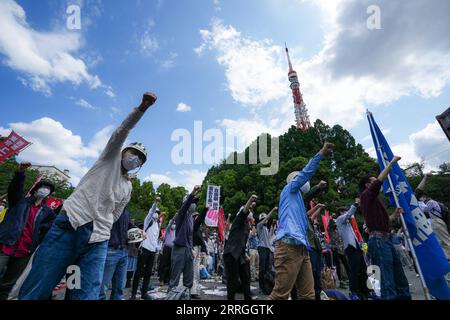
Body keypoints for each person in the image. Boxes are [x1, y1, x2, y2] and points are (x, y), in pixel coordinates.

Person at [20, 92, 157, 300]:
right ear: (123, 151)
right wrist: (142, 108)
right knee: (40, 285)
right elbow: (122, 131)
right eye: (133, 153)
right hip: (70, 226)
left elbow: (116, 213)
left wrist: (104, 226)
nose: (135, 158)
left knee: (84, 293)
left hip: (97, 241)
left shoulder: (127, 187)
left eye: (140, 159)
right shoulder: (109, 158)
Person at [269, 142, 334, 300]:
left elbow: (305, 215)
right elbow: (306, 173)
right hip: (288, 245)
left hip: (302, 248)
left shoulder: (296, 200)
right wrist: (321, 154)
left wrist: (317, 195)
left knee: (308, 294)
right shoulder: (290, 189)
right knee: (280, 295)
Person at [0, 162, 56, 300]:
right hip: (6, 245)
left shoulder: (47, 212)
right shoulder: (19, 201)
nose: (44, 190)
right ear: (35, 189)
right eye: (42, 187)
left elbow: (49, 229)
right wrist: (21, 173)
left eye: (48, 188)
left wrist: (36, 241)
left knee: (8, 283)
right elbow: (15, 188)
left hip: (24, 251)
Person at [359, 155, 411, 300]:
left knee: (398, 274)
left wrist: (395, 214)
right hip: (378, 241)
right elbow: (379, 182)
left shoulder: (375, 201)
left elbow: (385, 221)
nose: (377, 182)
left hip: (386, 239)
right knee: (387, 278)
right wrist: (391, 163)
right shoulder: (366, 196)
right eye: (373, 181)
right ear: (367, 185)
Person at [167, 186, 201, 299]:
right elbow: (185, 205)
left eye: (194, 203)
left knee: (189, 278)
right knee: (175, 278)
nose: (194, 205)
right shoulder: (181, 215)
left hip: (187, 249)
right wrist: (193, 192)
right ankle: (171, 297)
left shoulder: (191, 219)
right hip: (179, 249)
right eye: (192, 202)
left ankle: (186, 298)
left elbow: (190, 236)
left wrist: (191, 249)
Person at [223, 194, 257, 300]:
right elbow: (244, 210)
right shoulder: (238, 220)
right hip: (231, 254)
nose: (250, 214)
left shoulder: (246, 227)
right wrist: (250, 200)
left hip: (240, 254)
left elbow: (241, 242)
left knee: (246, 278)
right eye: (249, 212)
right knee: (232, 281)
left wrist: (244, 254)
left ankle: (248, 298)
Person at [99, 206, 137, 300]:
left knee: (119, 288)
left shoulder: (126, 211)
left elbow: (130, 225)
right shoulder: (111, 206)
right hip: (110, 250)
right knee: (103, 288)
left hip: (124, 251)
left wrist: (140, 231)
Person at [335, 199, 370, 300]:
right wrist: (355, 204)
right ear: (340, 213)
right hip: (350, 248)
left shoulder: (351, 223)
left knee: (363, 270)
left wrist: (364, 248)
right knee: (354, 271)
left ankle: (367, 291)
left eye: (346, 210)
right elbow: (348, 215)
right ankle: (353, 292)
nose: (345, 212)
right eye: (343, 211)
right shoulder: (340, 220)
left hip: (358, 247)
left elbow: (358, 235)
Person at [130, 197, 162, 300]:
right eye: (155, 212)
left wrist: (157, 248)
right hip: (144, 248)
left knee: (148, 273)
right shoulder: (148, 220)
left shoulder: (157, 225)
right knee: (138, 272)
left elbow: (155, 239)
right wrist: (155, 203)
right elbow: (152, 210)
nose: (156, 213)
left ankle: (144, 293)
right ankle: (133, 294)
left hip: (152, 251)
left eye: (158, 212)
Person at [416, 173, 450, 261]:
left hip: (436, 221)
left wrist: (425, 178)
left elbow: (418, 193)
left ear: (424, 197)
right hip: (439, 221)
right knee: (444, 242)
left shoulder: (430, 203)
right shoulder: (434, 202)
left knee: (446, 242)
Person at [257, 207, 277, 294]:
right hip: (262, 248)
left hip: (268, 249)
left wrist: (272, 226)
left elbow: (270, 237)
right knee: (262, 269)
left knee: (268, 268)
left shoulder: (265, 228)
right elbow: (266, 218)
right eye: (263, 219)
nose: (265, 220)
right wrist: (272, 210)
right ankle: (261, 286)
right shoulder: (259, 226)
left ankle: (267, 285)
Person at [327, 212, 350, 287]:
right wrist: (331, 218)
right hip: (335, 248)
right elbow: (330, 225)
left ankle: (349, 278)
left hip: (341, 248)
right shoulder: (330, 230)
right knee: (338, 265)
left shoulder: (339, 229)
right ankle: (341, 281)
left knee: (346, 264)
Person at [192, 208, 207, 299]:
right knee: (193, 271)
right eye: (196, 216)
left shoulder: (198, 229)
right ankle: (192, 291)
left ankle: (195, 290)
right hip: (192, 249)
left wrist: (203, 249)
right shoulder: (193, 225)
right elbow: (200, 219)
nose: (197, 217)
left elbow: (201, 240)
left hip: (198, 249)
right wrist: (205, 209)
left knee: (196, 272)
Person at [158, 214, 177, 286]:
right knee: (164, 264)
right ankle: (161, 280)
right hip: (166, 248)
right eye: (173, 223)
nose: (174, 225)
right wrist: (175, 217)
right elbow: (170, 224)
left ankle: (168, 279)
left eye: (175, 224)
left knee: (171, 265)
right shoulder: (168, 229)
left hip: (173, 249)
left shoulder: (176, 230)